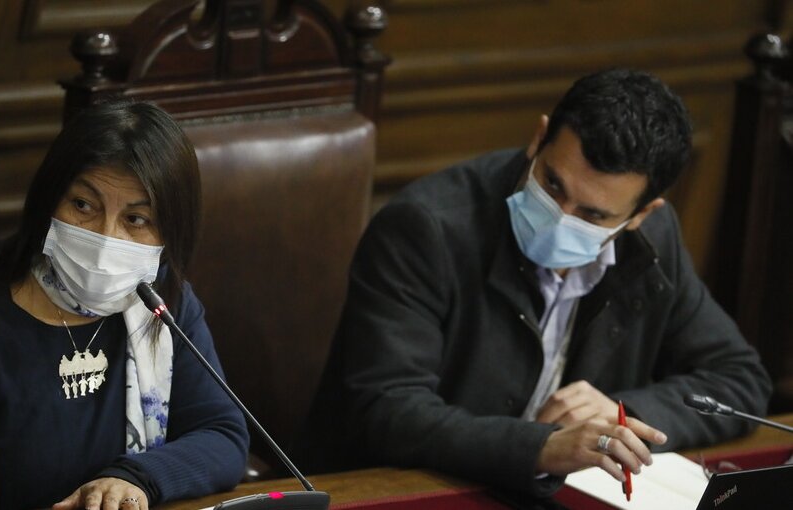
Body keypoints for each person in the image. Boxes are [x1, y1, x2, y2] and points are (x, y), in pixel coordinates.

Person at [299, 68, 772, 497]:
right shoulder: (425, 228)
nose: (558, 218)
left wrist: (618, 417)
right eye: (552, 184)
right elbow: (386, 411)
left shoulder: (652, 239)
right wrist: (541, 448)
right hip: (409, 491)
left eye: (592, 214)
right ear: (539, 139)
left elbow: (737, 378)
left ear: (640, 215)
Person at [0, 101, 249, 509]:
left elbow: (223, 435)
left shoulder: (161, 304)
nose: (104, 238)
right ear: (49, 201)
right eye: (83, 205)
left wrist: (135, 478)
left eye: (136, 220)